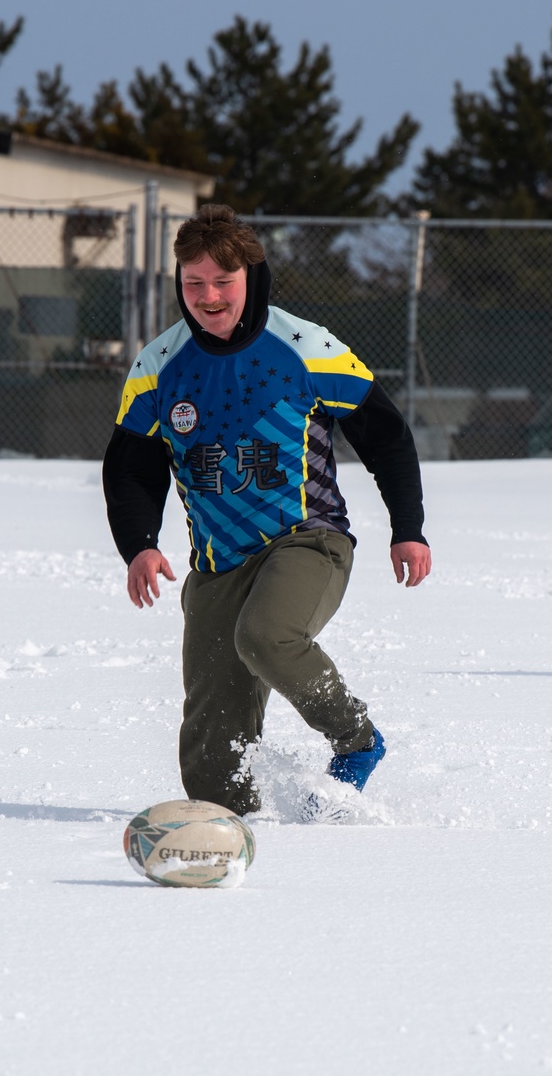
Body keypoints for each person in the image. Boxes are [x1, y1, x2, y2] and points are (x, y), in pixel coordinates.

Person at [103, 204, 430, 816]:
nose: (208, 296)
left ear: (251, 277)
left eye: (222, 282)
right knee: (211, 749)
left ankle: (357, 741)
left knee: (266, 636)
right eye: (193, 283)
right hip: (218, 562)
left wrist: (407, 528)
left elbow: (386, 434)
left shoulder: (305, 346)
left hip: (308, 540)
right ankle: (236, 830)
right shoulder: (158, 365)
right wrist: (140, 544)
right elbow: (129, 466)